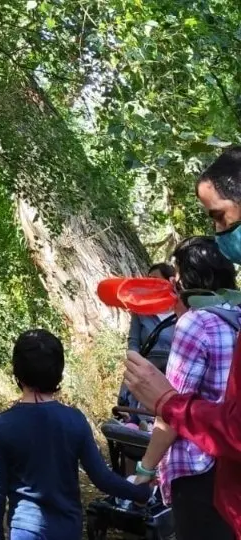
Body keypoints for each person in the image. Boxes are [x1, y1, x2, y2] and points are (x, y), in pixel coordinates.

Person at [125, 145, 241, 535]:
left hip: (199, 470)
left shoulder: (196, 325)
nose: (220, 232)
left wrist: (144, 470)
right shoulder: (235, 314)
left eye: (219, 217)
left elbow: (172, 416)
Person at [0, 329, 152, 540]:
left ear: (17, 373)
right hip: (67, 529)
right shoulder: (74, 420)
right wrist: (141, 493)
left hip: (25, 530)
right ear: (59, 372)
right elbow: (102, 478)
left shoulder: (4, 424)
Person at [118, 263, 177, 428]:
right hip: (143, 367)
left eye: (156, 279)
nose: (151, 283)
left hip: (171, 372)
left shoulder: (180, 313)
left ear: (169, 282)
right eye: (148, 279)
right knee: (131, 415)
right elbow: (133, 342)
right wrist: (135, 365)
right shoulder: (140, 311)